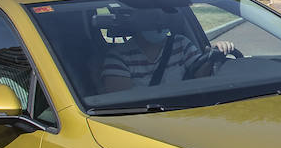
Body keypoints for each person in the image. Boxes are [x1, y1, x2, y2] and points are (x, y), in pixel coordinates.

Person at [97, 9, 235, 92]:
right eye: (151, 18)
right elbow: (123, 101)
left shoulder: (181, 44)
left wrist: (213, 53)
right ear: (136, 23)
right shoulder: (118, 57)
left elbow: (200, 76)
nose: (158, 23)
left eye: (161, 18)